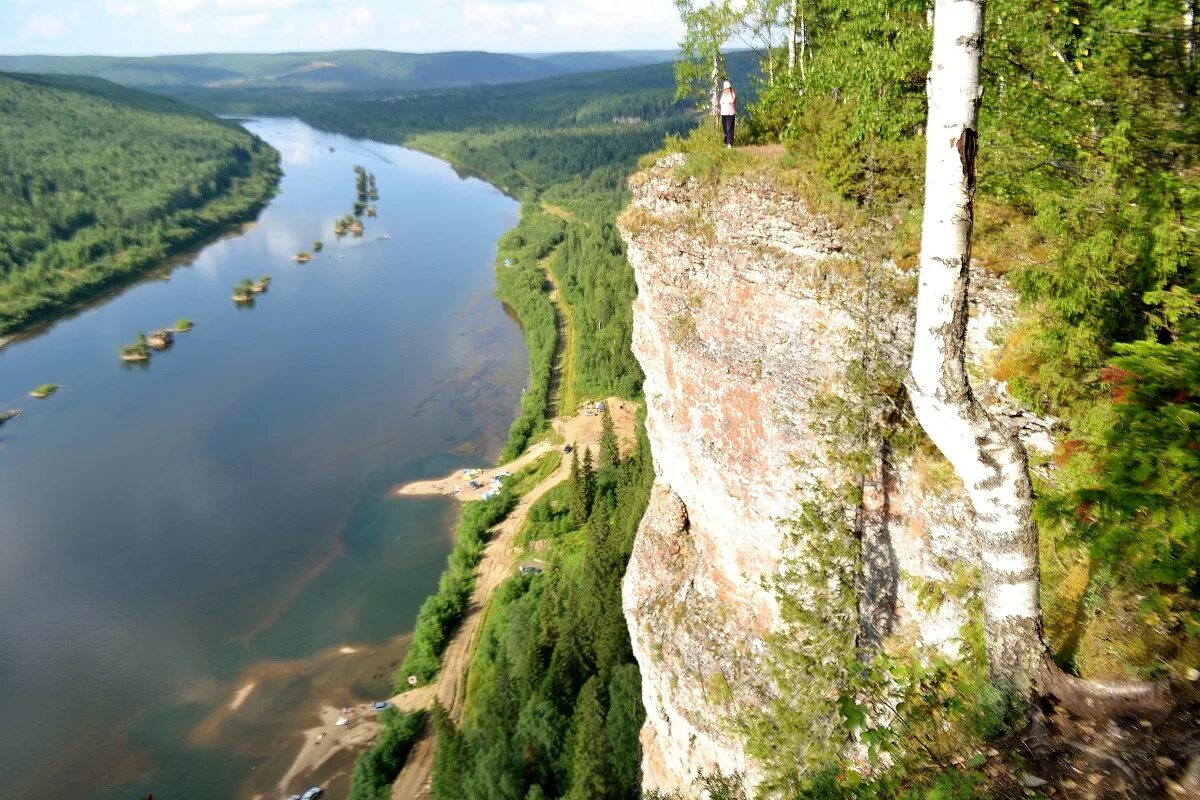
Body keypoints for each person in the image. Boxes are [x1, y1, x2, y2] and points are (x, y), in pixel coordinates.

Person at [719, 80, 737, 148]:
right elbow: (720, 102)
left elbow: (732, 101)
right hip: (724, 114)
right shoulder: (723, 95)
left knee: (730, 128)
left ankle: (730, 143)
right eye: (726, 89)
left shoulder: (732, 94)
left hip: (730, 114)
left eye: (728, 88)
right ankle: (726, 141)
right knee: (725, 129)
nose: (727, 90)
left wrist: (729, 94)